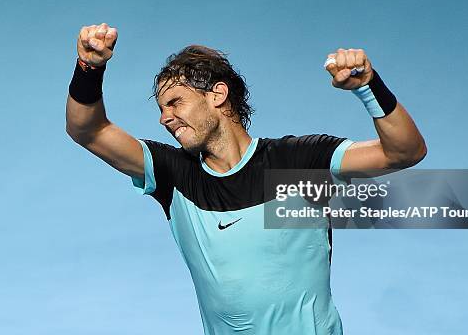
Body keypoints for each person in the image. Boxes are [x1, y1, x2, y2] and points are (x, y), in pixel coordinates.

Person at [65, 22, 427, 334]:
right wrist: (88, 68)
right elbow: (88, 130)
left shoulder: (298, 162)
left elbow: (404, 152)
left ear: (217, 95)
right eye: (161, 109)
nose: (164, 118)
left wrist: (368, 87)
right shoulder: (173, 174)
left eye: (175, 102)